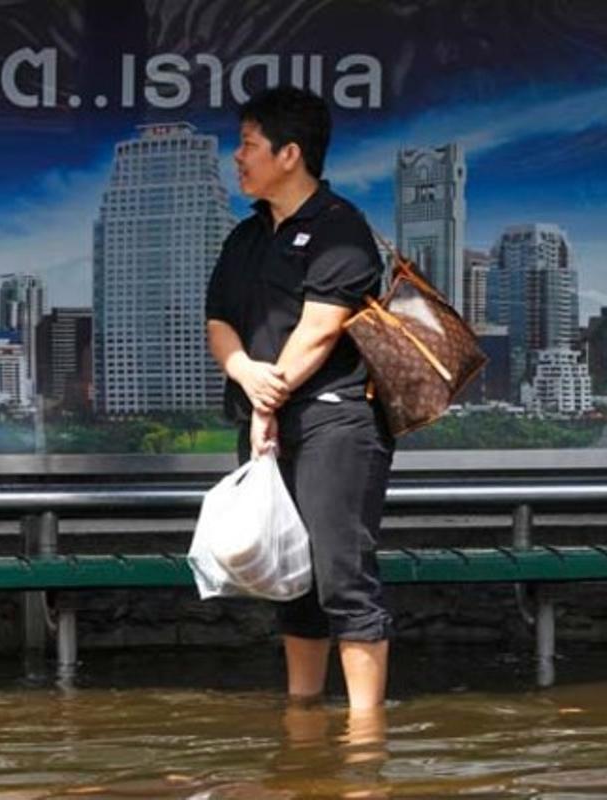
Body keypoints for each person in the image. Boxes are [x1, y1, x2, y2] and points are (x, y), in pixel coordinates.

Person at [205, 86, 395, 711]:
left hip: (334, 422)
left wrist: (265, 401)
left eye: (248, 145)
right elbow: (219, 321)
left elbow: (321, 328)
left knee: (343, 574)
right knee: (293, 579)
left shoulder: (341, 229)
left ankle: (366, 741)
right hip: (269, 424)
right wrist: (240, 369)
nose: (238, 157)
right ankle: (304, 716)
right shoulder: (246, 237)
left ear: (290, 154)